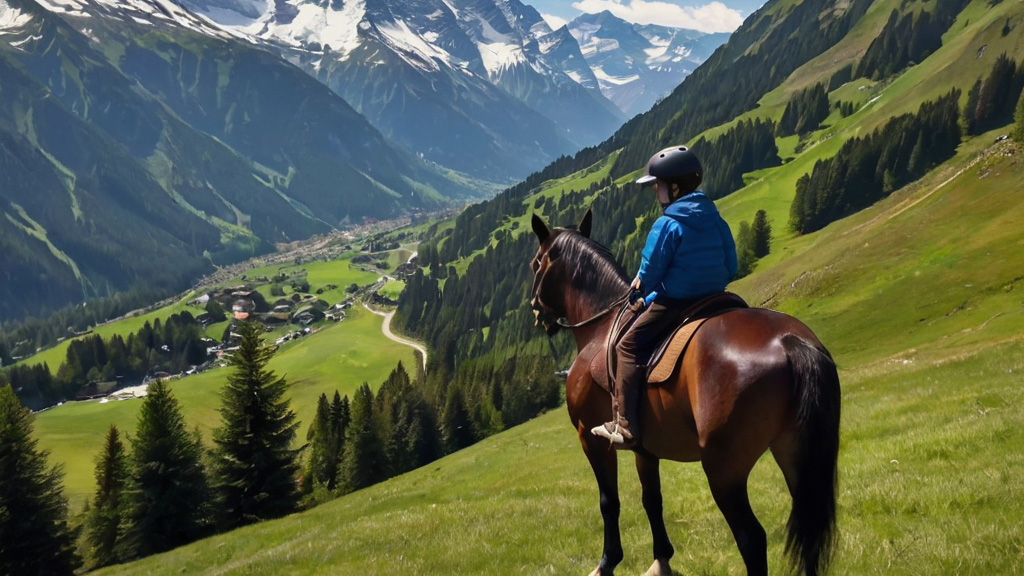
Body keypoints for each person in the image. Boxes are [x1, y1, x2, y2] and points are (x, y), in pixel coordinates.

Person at [591, 145, 738, 449]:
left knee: (627, 345)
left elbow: (652, 271)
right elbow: (731, 265)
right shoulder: (715, 217)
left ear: (673, 187)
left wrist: (641, 291)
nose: (655, 192)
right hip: (716, 296)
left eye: (657, 186)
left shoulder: (667, 223)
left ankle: (625, 426)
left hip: (676, 302)